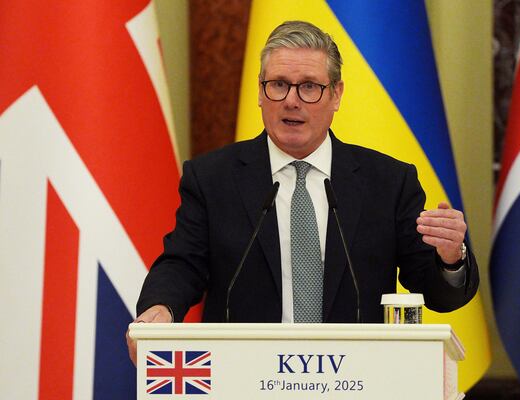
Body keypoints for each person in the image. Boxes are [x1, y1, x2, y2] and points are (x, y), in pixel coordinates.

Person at [126, 20, 478, 363]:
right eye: (278, 84)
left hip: (356, 379)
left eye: (309, 86)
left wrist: (450, 259)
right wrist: (161, 308)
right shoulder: (212, 177)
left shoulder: (388, 182)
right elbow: (183, 264)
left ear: (336, 94)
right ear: (261, 92)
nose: (291, 101)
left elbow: (437, 295)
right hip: (245, 376)